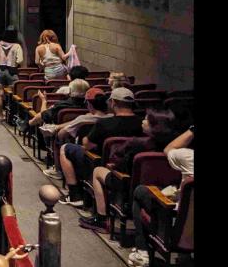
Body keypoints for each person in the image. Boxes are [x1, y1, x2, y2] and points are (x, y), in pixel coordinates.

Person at [78, 109, 179, 232]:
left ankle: (101, 219)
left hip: (130, 187)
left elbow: (120, 164)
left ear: (155, 126)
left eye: (146, 119)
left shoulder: (138, 144)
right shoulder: (175, 149)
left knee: (98, 171)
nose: (143, 121)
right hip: (165, 192)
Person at [58, 88, 144, 206]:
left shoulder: (105, 124)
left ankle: (74, 195)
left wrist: (83, 138)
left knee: (65, 148)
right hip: (132, 167)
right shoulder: (142, 124)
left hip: (101, 163)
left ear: (113, 102)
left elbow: (87, 145)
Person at [127, 125, 195, 267]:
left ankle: (142, 252)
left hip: (178, 229)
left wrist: (192, 130)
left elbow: (169, 148)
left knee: (140, 191)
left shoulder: (188, 157)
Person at [0, 28, 23, 117]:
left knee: (0, 93)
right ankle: (11, 116)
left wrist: (1, 60)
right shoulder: (17, 46)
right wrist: (14, 63)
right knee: (12, 94)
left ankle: (0, 115)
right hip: (12, 71)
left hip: (1, 70)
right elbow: (20, 60)